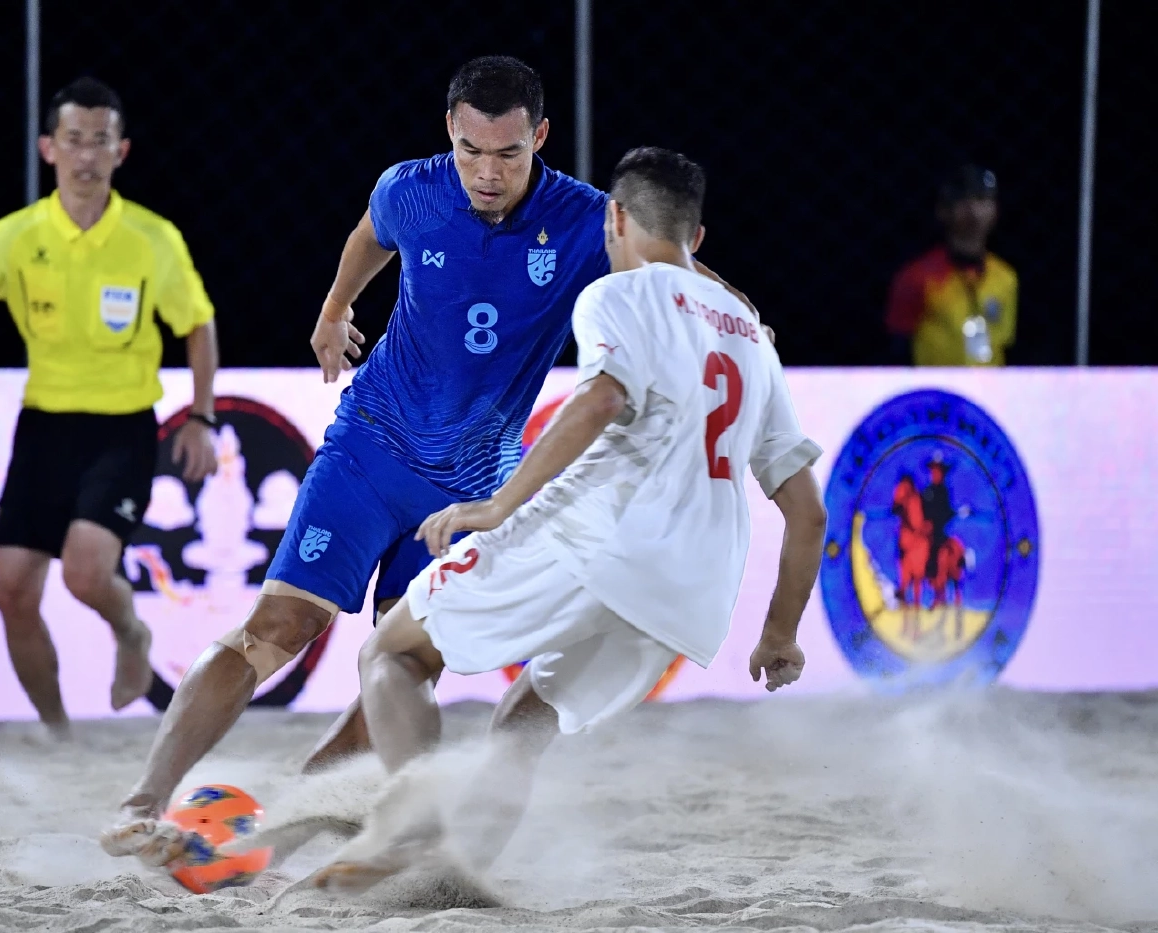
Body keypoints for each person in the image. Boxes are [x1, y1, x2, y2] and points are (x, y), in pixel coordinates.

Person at [99, 58, 768, 865]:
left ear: (540, 137)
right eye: (470, 150)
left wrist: (745, 319)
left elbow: (682, 275)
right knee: (277, 628)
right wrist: (335, 308)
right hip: (369, 451)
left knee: (396, 672)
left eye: (508, 154)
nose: (486, 172)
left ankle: (269, 839)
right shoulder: (409, 190)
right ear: (449, 130)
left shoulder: (586, 219)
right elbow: (369, 236)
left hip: (474, 485)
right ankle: (142, 803)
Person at [306, 146, 827, 890]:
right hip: (693, 597)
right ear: (698, 238)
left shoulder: (619, 294)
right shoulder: (750, 335)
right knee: (524, 723)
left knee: (393, 653)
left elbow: (601, 399)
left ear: (614, 219)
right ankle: (449, 877)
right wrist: (779, 633)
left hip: (604, 541)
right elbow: (807, 512)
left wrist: (498, 504)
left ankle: (416, 832)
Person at [0, 77, 219, 737]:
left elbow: (198, 325)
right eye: (74, 140)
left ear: (121, 151)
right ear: (48, 148)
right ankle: (57, 733)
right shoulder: (15, 235)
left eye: (100, 141)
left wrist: (201, 415)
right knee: (12, 591)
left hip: (121, 428)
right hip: (43, 426)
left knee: (86, 576)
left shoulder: (152, 237)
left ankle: (131, 630)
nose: (87, 155)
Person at [885, 165, 1018, 366]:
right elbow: (897, 350)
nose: (974, 211)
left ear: (995, 210)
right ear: (943, 211)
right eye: (963, 200)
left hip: (990, 385)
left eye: (982, 200)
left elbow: (1005, 344)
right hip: (935, 385)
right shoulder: (917, 276)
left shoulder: (1006, 278)